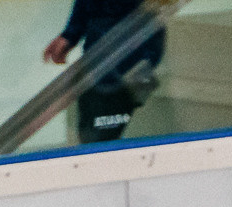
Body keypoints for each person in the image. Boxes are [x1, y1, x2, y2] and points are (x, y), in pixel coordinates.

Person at [42, 0, 165, 146]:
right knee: (93, 135)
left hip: (125, 60)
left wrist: (71, 33)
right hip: (100, 64)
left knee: (101, 137)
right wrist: (70, 34)